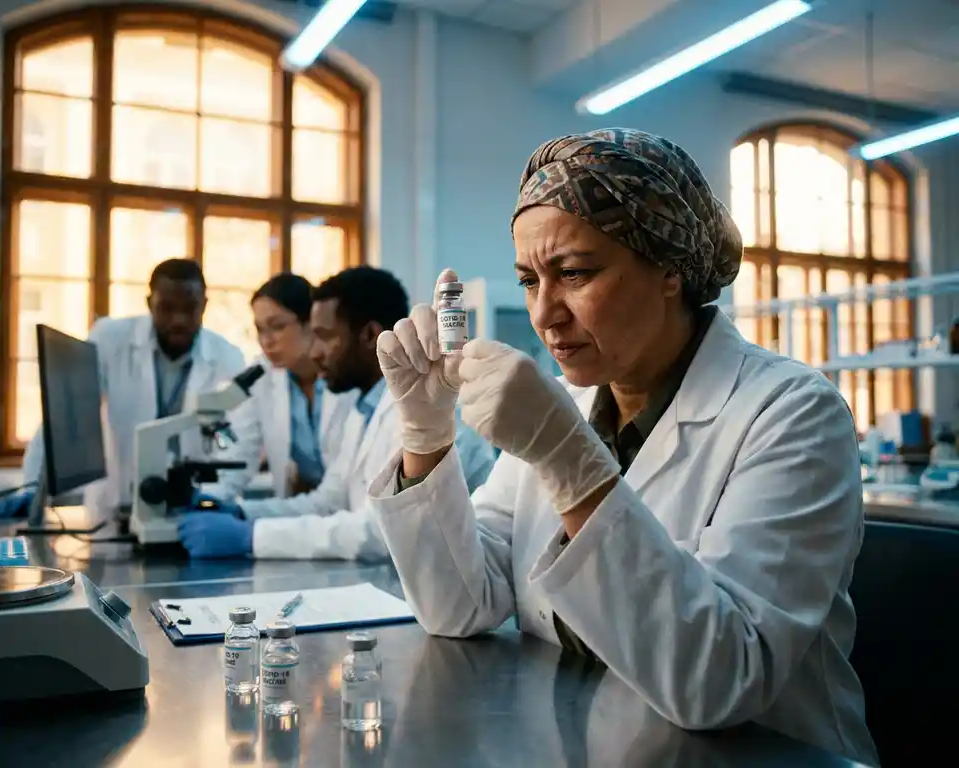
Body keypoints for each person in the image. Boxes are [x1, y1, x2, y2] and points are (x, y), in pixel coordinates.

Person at [367, 129, 877, 765]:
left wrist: (569, 464)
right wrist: (425, 439)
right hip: (588, 735)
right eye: (529, 280)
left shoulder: (792, 412)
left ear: (669, 268)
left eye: (574, 273)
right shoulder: (569, 405)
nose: (544, 314)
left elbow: (718, 681)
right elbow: (462, 604)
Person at [178, 266, 496, 561]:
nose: (315, 352)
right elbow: (329, 500)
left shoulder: (435, 410)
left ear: (370, 335)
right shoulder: (363, 410)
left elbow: (384, 532)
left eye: (325, 336)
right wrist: (242, 512)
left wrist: (252, 537)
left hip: (454, 587)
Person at [0, 259, 245, 516]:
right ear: (150, 303)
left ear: (205, 305)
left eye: (190, 309)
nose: (179, 320)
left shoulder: (227, 356)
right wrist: (32, 488)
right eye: (167, 308)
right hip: (116, 502)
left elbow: (240, 439)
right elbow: (63, 416)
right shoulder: (110, 339)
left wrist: (217, 498)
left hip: (189, 507)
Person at [200, 274, 357, 501]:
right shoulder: (261, 377)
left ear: (310, 323)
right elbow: (237, 451)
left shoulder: (346, 377)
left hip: (350, 510)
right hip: (300, 509)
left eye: (277, 326)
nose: (266, 340)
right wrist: (211, 501)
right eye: (260, 329)